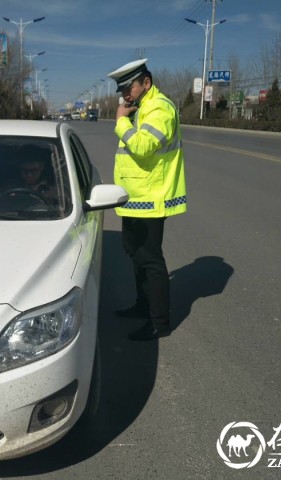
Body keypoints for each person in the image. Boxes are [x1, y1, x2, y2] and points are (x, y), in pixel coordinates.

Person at [107, 58, 187, 341]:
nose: (125, 94)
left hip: (152, 198)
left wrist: (120, 121)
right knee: (135, 254)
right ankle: (143, 307)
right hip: (135, 197)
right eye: (122, 89)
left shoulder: (160, 108)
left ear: (147, 83)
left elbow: (141, 146)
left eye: (130, 87)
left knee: (150, 261)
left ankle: (159, 323)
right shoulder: (141, 108)